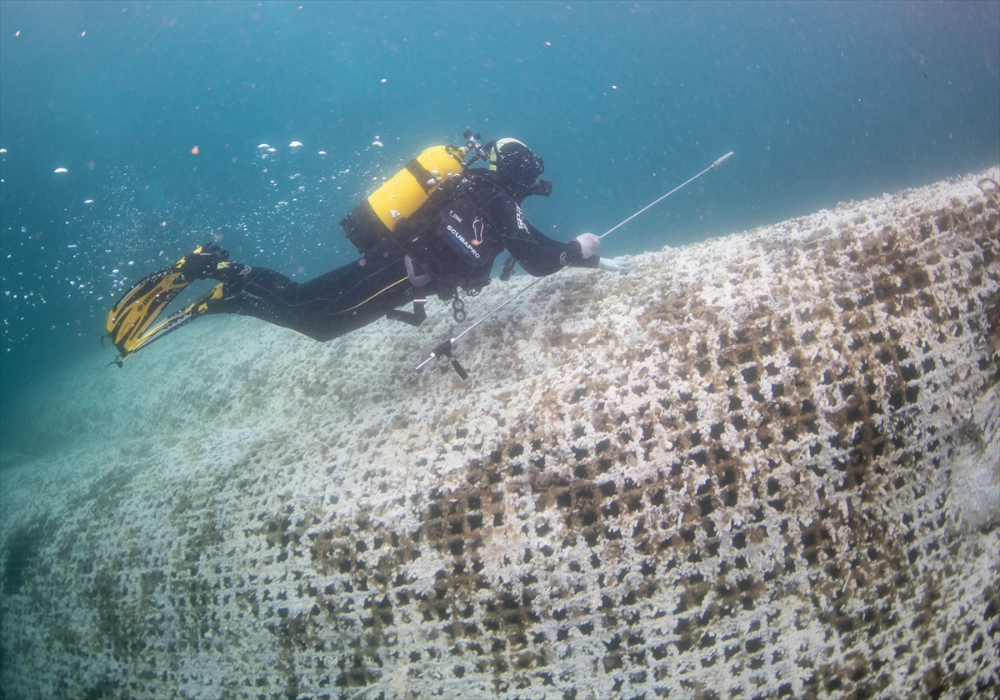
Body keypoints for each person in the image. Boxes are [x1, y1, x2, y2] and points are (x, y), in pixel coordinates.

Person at [105, 138, 628, 364]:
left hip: (400, 271)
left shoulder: (485, 195)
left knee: (315, 320)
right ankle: (216, 271)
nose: (534, 179)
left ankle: (226, 293)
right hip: (397, 269)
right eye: (531, 170)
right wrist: (578, 247)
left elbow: (534, 246)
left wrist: (590, 259)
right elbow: (538, 257)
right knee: (308, 307)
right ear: (517, 170)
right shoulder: (492, 197)